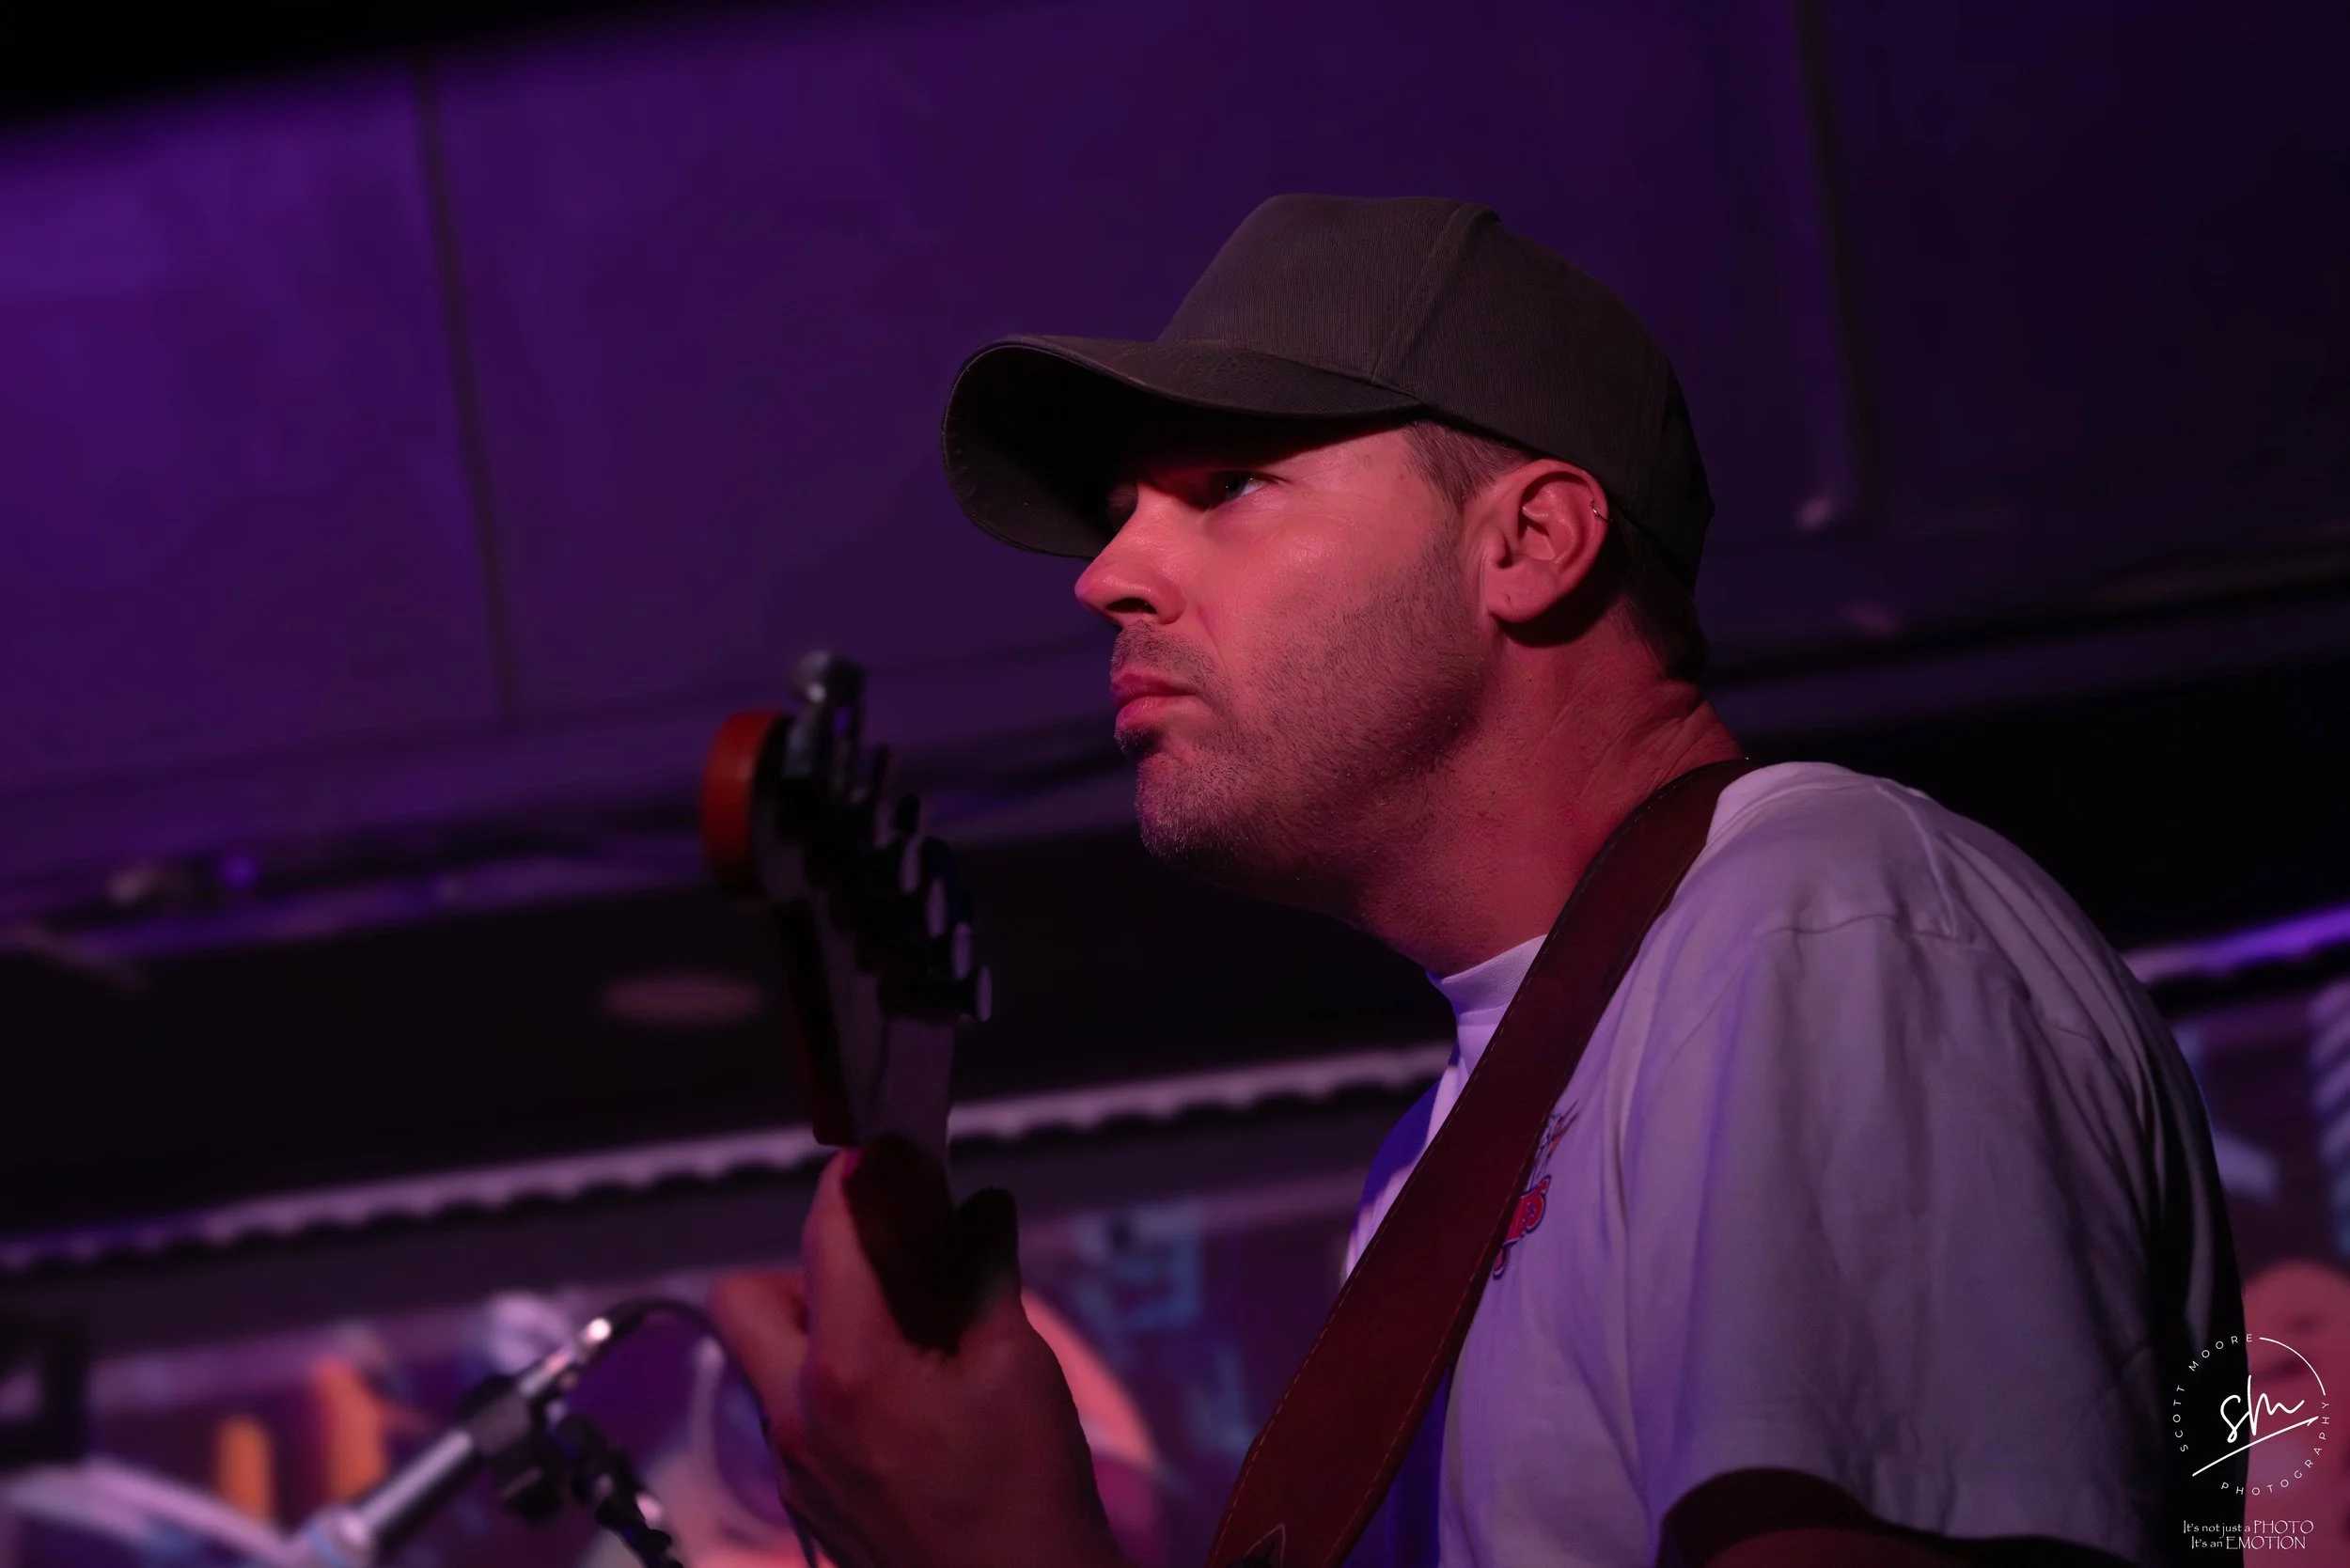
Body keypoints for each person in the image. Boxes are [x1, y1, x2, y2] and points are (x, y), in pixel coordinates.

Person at [710, 196, 2245, 1567]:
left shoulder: (1815, 918)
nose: (1106, 576)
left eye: (1230, 484)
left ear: (1533, 541)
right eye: (1121, 517)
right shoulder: (1439, 1154)